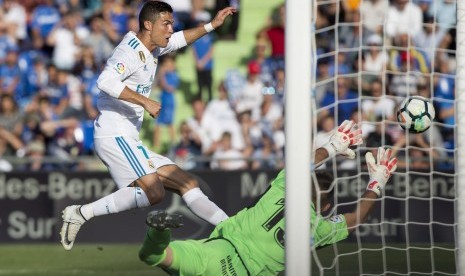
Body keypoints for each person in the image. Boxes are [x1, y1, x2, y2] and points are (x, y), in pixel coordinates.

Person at [60, 1, 236, 251]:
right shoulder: (129, 52)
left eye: (172, 23)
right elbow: (105, 80)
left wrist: (211, 25)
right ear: (148, 24)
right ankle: (81, 213)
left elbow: (179, 40)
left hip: (129, 136)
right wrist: (145, 101)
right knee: (154, 192)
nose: (170, 29)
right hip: (114, 133)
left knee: (186, 182)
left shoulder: (152, 47)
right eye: (166, 24)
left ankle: (229, 228)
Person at [138, 120, 398, 275]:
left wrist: (332, 146)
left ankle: (159, 234)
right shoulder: (317, 229)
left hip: (215, 254)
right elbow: (357, 218)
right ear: (327, 205)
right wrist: (376, 183)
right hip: (245, 273)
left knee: (154, 256)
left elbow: (302, 164)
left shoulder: (283, 187)